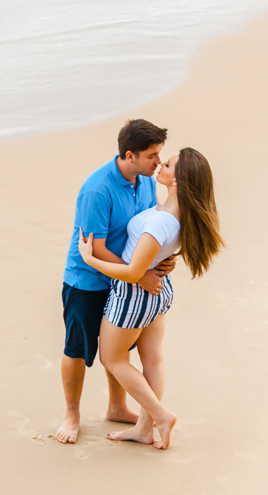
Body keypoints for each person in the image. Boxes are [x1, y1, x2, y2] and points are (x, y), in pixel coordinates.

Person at [77, 147, 224, 449]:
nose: (160, 164)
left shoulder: (161, 222)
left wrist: (90, 259)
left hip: (133, 297)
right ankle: (144, 429)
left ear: (178, 181)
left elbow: (133, 272)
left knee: (112, 358)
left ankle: (160, 415)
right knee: (152, 359)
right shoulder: (179, 214)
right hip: (158, 291)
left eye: (167, 164)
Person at [57, 119, 175, 444]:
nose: (158, 161)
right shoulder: (98, 189)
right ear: (129, 155)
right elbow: (96, 249)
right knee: (77, 350)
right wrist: (139, 274)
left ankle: (117, 407)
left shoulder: (146, 180)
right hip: (87, 280)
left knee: (119, 347)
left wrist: (164, 260)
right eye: (152, 155)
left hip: (125, 277)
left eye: (159, 154)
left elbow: (150, 228)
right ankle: (72, 415)